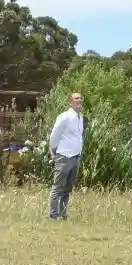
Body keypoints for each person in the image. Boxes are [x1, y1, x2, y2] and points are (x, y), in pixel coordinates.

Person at [47, 91, 86, 220]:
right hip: (64, 156)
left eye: (80, 98)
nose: (79, 100)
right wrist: (53, 151)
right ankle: (53, 214)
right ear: (70, 101)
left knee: (68, 188)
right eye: (76, 98)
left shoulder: (80, 117)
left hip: (76, 157)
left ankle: (63, 214)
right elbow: (54, 135)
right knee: (58, 187)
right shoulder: (64, 116)